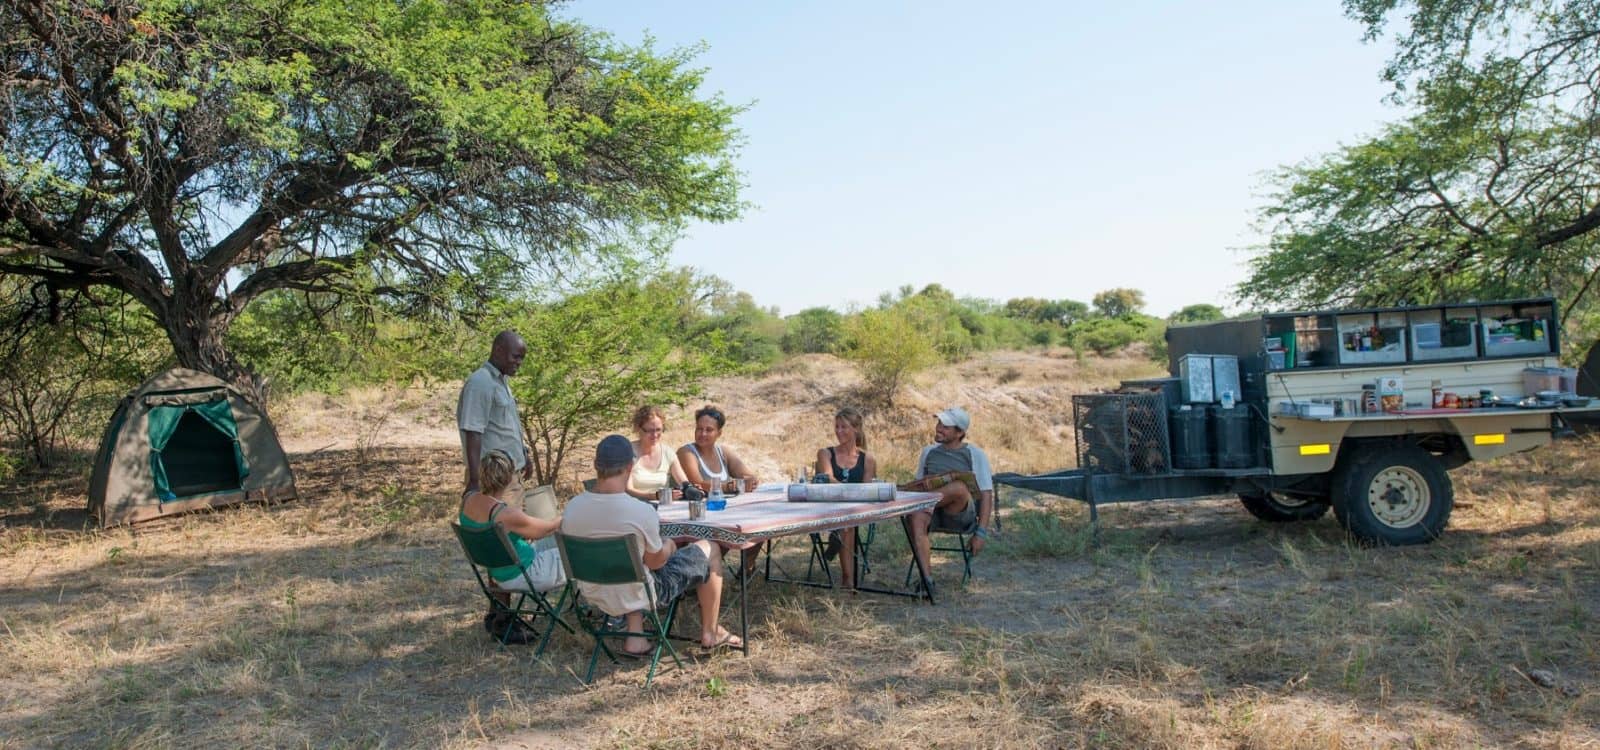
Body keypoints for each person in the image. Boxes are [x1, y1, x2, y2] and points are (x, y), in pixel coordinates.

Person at [563, 435, 743, 654]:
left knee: (630, 564)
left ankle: (636, 639)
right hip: (641, 594)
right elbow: (656, 563)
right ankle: (710, 632)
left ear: (596, 465)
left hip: (593, 592)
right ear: (630, 465)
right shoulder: (640, 511)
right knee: (711, 548)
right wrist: (669, 546)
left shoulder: (572, 507)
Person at [458, 450, 565, 643]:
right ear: (509, 477)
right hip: (526, 574)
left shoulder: (468, 501)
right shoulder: (504, 514)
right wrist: (567, 515)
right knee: (574, 550)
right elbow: (546, 529)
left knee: (551, 545)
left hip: (498, 572)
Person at [902, 406, 994, 598]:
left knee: (959, 487)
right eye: (939, 424)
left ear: (959, 432)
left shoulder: (974, 454)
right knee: (917, 516)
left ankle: (922, 504)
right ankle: (927, 581)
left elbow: (986, 494)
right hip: (931, 513)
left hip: (958, 514)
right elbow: (921, 482)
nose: (938, 428)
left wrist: (981, 533)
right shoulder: (929, 452)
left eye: (945, 426)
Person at [677, 404, 761, 573]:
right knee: (720, 535)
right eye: (699, 429)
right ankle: (700, 572)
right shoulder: (686, 452)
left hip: (724, 511)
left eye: (709, 430)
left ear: (719, 433)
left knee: (759, 526)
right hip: (697, 514)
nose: (703, 434)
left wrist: (750, 480)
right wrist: (730, 486)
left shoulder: (723, 452)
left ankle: (747, 569)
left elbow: (748, 475)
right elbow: (697, 482)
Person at [458, 330, 533, 499]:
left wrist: (523, 455)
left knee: (513, 524)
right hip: (494, 479)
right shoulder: (481, 382)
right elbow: (473, 431)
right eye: (515, 356)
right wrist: (475, 481)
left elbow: (504, 427)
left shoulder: (501, 381)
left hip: (511, 474)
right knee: (501, 524)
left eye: (522, 358)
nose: (519, 363)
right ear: (498, 350)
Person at [812, 407, 877, 589]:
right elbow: (828, 478)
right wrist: (850, 492)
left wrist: (853, 497)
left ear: (856, 429)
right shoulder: (825, 453)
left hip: (855, 509)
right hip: (829, 504)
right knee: (847, 523)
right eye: (837, 427)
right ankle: (848, 580)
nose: (839, 431)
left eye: (844, 427)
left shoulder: (867, 458)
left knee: (848, 522)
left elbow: (867, 490)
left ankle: (847, 577)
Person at [625, 405, 688, 503]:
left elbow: (684, 483)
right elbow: (628, 490)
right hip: (635, 507)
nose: (654, 435)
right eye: (649, 430)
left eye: (658, 430)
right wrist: (656, 496)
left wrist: (690, 489)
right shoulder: (627, 452)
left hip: (664, 509)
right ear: (638, 429)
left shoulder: (668, 453)